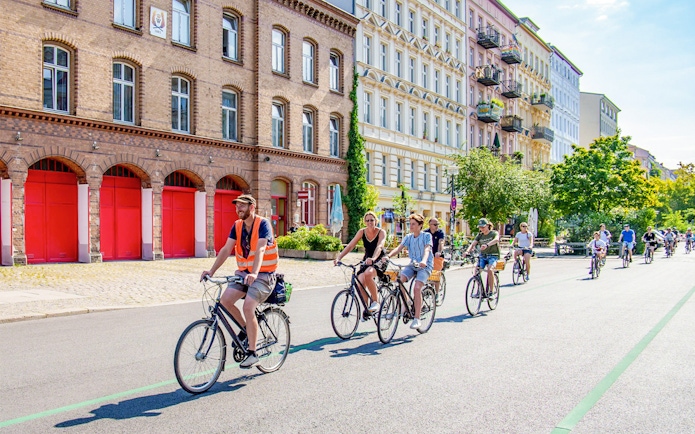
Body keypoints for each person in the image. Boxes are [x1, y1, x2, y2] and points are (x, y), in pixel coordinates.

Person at [201, 194, 278, 369]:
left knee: (248, 306)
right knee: (225, 301)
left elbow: (260, 250)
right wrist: (211, 271)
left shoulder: (263, 224)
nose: (238, 209)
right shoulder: (237, 226)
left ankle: (252, 353)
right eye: (237, 206)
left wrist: (255, 273)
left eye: (242, 206)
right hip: (244, 274)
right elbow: (226, 248)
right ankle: (245, 330)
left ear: (252, 207)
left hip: (264, 276)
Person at [385, 213, 433, 330]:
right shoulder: (408, 237)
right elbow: (399, 248)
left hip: (424, 266)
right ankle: (407, 301)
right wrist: (388, 256)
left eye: (413, 224)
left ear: (420, 225)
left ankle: (417, 318)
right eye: (410, 224)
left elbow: (427, 249)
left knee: (417, 288)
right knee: (399, 281)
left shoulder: (426, 236)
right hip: (412, 264)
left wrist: (424, 260)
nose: (411, 226)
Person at [334, 211, 386, 316]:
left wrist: (374, 258)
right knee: (360, 282)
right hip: (367, 259)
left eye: (372, 220)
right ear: (365, 222)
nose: (370, 222)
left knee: (368, 273)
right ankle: (367, 309)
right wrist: (338, 257)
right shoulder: (362, 232)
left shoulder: (381, 232)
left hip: (379, 259)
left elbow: (380, 246)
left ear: (376, 221)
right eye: (367, 220)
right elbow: (350, 246)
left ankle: (376, 302)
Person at [465, 218, 500, 297]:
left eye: (483, 227)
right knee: (477, 271)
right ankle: (479, 291)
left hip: (493, 255)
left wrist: (487, 245)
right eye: (480, 227)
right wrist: (467, 251)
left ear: (488, 226)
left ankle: (491, 291)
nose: (482, 229)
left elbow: (496, 240)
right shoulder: (480, 235)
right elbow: (473, 244)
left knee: (490, 270)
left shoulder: (494, 233)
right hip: (483, 256)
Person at [424, 217, 445, 301]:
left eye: (438, 224)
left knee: (436, 273)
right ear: (430, 225)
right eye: (435, 224)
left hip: (437, 256)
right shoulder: (425, 233)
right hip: (428, 256)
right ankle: (427, 289)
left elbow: (441, 242)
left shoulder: (440, 232)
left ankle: (436, 294)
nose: (437, 226)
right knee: (425, 273)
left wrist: (439, 251)